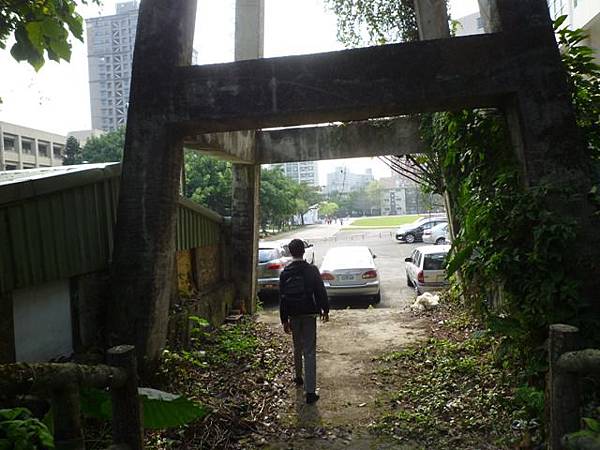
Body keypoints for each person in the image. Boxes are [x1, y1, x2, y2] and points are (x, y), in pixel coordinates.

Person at [279, 238, 330, 404]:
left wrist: (284, 319)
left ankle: (298, 377)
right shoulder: (311, 270)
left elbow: (282, 298)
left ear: (291, 252)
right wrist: (325, 309)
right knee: (309, 351)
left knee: (297, 346)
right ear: (303, 251)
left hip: (293, 314)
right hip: (309, 313)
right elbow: (320, 291)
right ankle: (310, 392)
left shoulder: (285, 272)